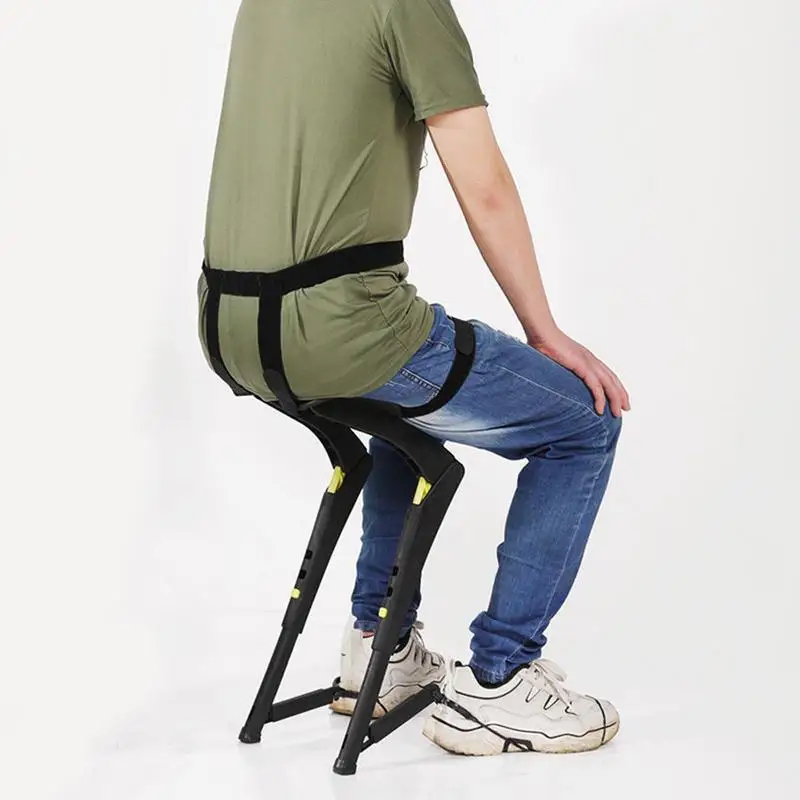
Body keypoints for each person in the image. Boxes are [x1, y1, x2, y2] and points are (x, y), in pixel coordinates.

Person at [198, 0, 630, 756]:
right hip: (336, 330)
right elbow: (482, 183)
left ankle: (380, 645)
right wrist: (544, 332)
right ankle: (500, 680)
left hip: (227, 324)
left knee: (407, 404)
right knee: (584, 422)